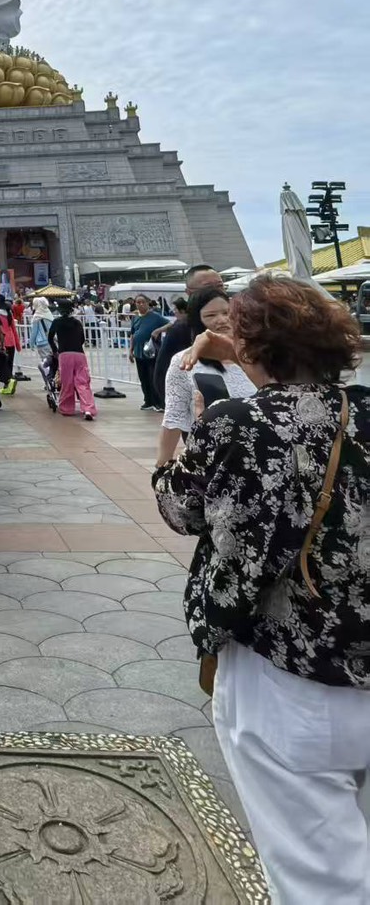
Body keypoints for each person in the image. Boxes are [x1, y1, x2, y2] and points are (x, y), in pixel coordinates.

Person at [153, 275, 370, 902]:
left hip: (287, 674)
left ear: (251, 346)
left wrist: (201, 426)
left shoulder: (235, 422)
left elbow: (179, 508)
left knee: (317, 880)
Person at [156, 288, 255, 465]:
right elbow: (174, 418)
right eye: (210, 315)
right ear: (197, 321)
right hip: (213, 460)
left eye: (226, 313)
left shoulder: (258, 357)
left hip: (262, 456)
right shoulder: (185, 362)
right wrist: (161, 467)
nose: (222, 320)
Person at [152, 264, 224, 405]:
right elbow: (163, 377)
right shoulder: (182, 329)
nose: (217, 292)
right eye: (209, 287)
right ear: (189, 293)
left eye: (220, 286)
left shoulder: (238, 323)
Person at [47, 300, 97, 420]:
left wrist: (55, 350)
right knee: (83, 382)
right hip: (79, 354)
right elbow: (82, 339)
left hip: (65, 354)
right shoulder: (77, 322)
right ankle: (88, 409)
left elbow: (50, 337)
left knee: (67, 382)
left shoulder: (57, 322)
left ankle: (67, 408)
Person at [128, 293, 169, 410]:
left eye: (142, 302)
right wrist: (131, 350)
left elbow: (170, 323)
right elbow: (133, 334)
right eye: (138, 302)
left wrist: (158, 330)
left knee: (153, 378)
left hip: (152, 352)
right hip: (138, 352)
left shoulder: (155, 316)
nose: (140, 304)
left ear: (147, 303)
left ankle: (159, 402)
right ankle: (148, 401)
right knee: (143, 378)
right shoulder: (135, 318)